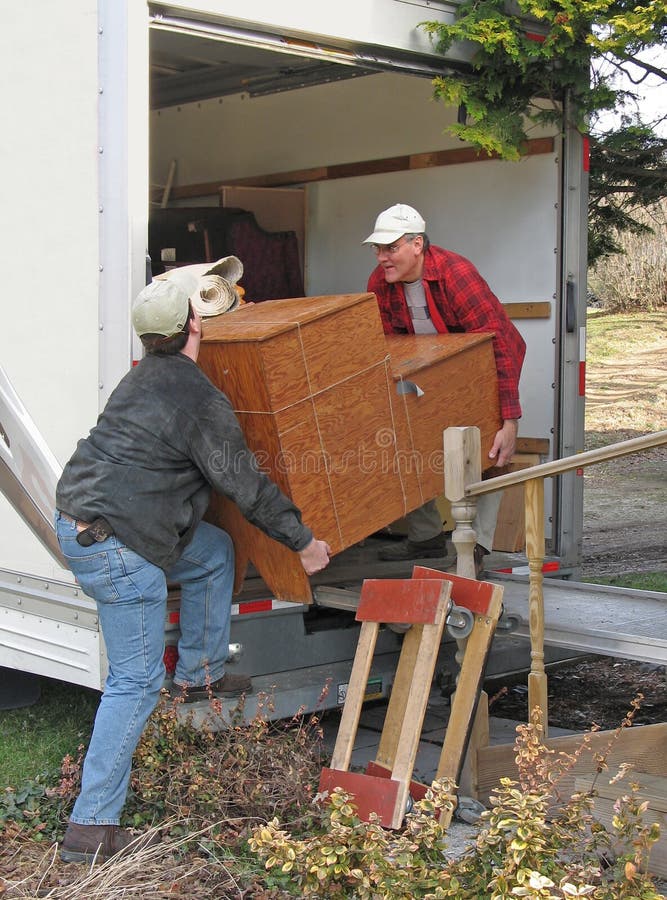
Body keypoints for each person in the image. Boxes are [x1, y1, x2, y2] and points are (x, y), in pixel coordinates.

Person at [54, 270, 331, 863]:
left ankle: (199, 674)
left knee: (212, 552)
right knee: (133, 683)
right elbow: (246, 484)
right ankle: (90, 828)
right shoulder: (198, 398)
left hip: (82, 519)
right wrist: (302, 541)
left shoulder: (140, 380)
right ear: (195, 326)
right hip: (117, 543)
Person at [363, 203, 526, 575]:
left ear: (417, 245)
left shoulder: (456, 273)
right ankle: (425, 536)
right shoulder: (379, 282)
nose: (381, 257)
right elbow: (386, 346)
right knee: (403, 439)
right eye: (377, 249)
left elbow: (497, 343)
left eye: (390, 248)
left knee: (489, 452)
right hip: (428, 370)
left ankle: (478, 545)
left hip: (483, 368)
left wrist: (509, 420)